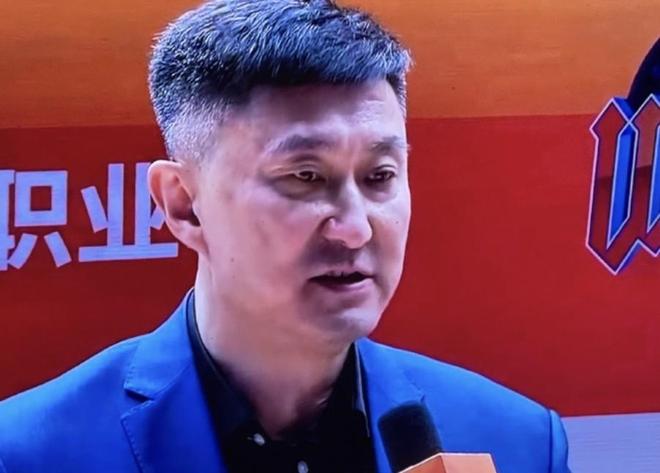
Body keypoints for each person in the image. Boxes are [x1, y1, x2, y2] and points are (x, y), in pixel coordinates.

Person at [0, 1, 572, 472]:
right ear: (183, 204)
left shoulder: (516, 441)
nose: (354, 227)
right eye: (305, 177)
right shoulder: (30, 453)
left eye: (379, 177)